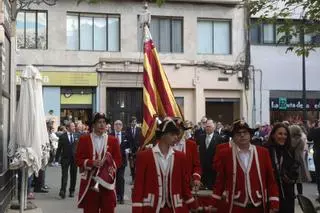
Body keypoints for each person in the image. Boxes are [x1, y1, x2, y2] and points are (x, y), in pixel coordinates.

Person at [212, 120, 279, 213]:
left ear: (250, 135)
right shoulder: (225, 154)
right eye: (238, 133)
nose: (242, 135)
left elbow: (270, 180)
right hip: (235, 207)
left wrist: (274, 202)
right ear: (233, 137)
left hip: (258, 207)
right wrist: (214, 203)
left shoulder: (263, 152)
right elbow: (220, 181)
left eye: (245, 132)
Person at [132, 118, 197, 213]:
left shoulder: (180, 157)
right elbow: (139, 185)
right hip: (151, 207)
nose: (176, 137)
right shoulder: (144, 156)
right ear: (163, 135)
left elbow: (184, 185)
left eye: (176, 134)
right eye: (172, 134)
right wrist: (137, 208)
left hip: (175, 208)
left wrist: (193, 204)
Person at [75, 112, 122, 213]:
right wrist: (91, 163)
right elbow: (78, 159)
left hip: (107, 183)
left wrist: (109, 166)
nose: (102, 125)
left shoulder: (113, 140)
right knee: (90, 210)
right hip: (90, 182)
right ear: (93, 125)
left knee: (108, 209)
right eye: (99, 122)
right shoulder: (84, 139)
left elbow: (118, 160)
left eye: (104, 122)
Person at [264, 123, 299, 213]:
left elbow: (294, 173)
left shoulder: (289, 151)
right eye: (280, 134)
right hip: (271, 193)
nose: (283, 136)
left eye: (285, 134)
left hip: (287, 193)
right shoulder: (266, 150)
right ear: (273, 135)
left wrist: (291, 176)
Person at [174, 118, 201, 190]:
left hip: (186, 185)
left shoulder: (191, 145)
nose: (178, 131)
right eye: (175, 129)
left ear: (183, 131)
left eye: (180, 129)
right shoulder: (166, 145)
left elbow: (197, 165)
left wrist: (196, 178)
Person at [55, 122, 78, 199]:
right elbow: (59, 149)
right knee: (64, 175)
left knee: (73, 175)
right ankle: (63, 191)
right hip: (65, 158)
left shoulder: (76, 135)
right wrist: (56, 159)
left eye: (74, 126)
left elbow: (79, 148)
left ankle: (72, 191)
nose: (74, 127)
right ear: (68, 127)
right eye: (72, 126)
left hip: (74, 159)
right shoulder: (62, 136)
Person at [199, 119, 222, 189]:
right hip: (203, 167)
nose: (207, 128)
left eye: (209, 126)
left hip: (213, 167)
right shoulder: (201, 137)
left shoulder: (219, 138)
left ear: (214, 127)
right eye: (206, 126)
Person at [110, 120, 130, 204]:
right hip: (112, 161)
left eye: (119, 124)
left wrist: (128, 150)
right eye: (116, 124)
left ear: (122, 126)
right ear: (114, 126)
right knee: (112, 178)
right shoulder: (110, 135)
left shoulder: (126, 135)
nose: (118, 126)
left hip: (122, 161)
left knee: (120, 178)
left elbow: (129, 145)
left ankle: (121, 196)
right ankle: (113, 196)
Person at [289, 125, 311, 195]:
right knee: (299, 180)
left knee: (293, 178)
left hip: (294, 159)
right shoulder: (301, 138)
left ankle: (293, 194)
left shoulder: (293, 139)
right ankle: (300, 194)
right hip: (300, 159)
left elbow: (291, 147)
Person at [126, 116, 142, 183]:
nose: (134, 123)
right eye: (133, 122)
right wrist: (128, 148)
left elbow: (141, 139)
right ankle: (133, 179)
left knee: (137, 165)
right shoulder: (128, 129)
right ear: (130, 123)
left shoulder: (139, 129)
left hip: (138, 149)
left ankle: (137, 179)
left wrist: (140, 147)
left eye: (135, 121)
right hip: (130, 150)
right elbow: (126, 139)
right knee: (132, 166)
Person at [307, 120, 320, 201]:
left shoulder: (316, 131)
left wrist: (311, 128)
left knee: (318, 174)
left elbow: (309, 138)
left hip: (318, 154)